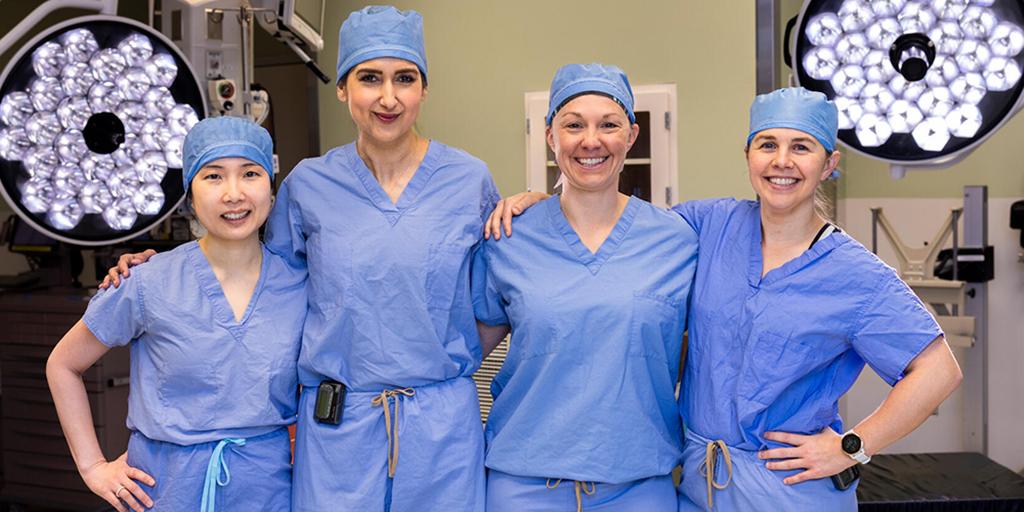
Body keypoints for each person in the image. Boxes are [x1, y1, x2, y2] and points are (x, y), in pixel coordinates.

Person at [487, 87, 962, 511]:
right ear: (749, 155)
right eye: (767, 145)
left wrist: (854, 445)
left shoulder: (856, 274)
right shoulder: (707, 226)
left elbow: (939, 371)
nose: (782, 162)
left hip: (790, 488)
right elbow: (616, 225)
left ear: (829, 164)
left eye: (802, 148)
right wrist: (543, 201)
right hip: (700, 486)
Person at [102, 6, 499, 511]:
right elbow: (263, 283)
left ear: (424, 87)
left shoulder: (468, 181)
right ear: (342, 88)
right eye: (369, 78)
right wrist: (156, 266)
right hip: (339, 428)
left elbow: (491, 305)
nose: (388, 96)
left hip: (442, 427)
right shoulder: (308, 186)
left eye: (405, 78)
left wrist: (430, 365)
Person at [47, 116, 305, 512]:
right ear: (189, 195)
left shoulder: (300, 285)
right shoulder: (147, 281)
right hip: (165, 490)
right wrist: (93, 466)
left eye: (250, 173)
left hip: (268, 492)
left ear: (271, 188)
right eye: (214, 176)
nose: (234, 194)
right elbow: (63, 365)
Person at [472, 63, 697, 512]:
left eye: (608, 125)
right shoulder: (509, 237)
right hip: (524, 486)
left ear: (631, 136)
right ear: (551, 136)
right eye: (573, 125)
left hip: (639, 486)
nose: (590, 140)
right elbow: (458, 356)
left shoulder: (677, 241)